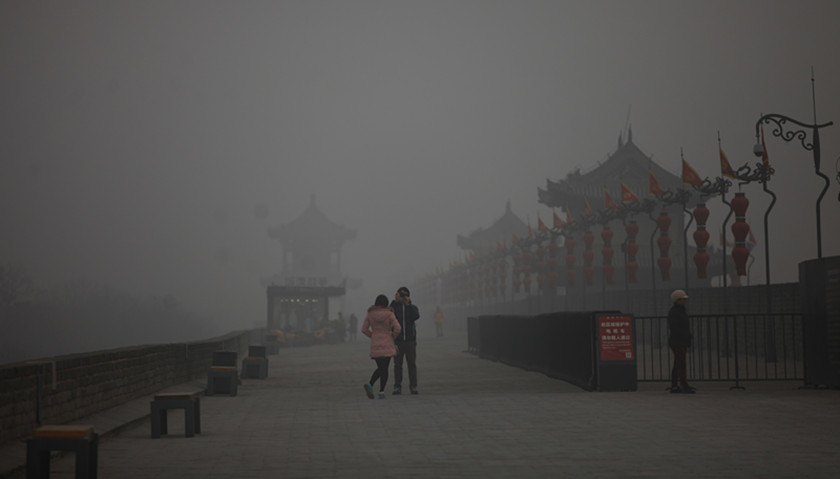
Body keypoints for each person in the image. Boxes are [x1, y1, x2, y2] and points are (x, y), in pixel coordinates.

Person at [362, 295, 401, 399]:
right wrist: (392, 336)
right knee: (384, 368)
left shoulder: (370, 314)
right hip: (387, 343)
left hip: (375, 344)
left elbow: (364, 329)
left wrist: (373, 335)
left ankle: (371, 385)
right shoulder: (390, 314)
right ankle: (381, 391)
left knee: (380, 367)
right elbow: (398, 328)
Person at [390, 286, 420, 395]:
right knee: (397, 364)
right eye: (401, 294)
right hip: (398, 340)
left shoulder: (412, 307)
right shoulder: (394, 307)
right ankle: (397, 386)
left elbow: (416, 316)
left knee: (411, 364)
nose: (403, 297)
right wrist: (395, 301)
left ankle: (413, 386)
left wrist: (408, 305)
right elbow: (388, 314)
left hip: (410, 340)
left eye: (405, 295)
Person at [667, 289, 695, 394]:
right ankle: (683, 384)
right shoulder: (676, 312)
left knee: (678, 363)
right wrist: (685, 335)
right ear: (677, 300)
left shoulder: (679, 311)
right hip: (677, 341)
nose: (684, 301)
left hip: (679, 340)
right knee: (681, 363)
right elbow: (675, 327)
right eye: (683, 299)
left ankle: (675, 385)